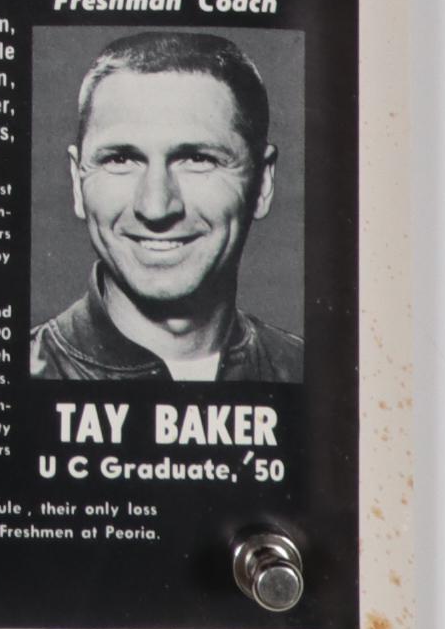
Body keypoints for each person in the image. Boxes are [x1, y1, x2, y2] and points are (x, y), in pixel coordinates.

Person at [30, 31, 304, 383]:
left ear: (263, 183)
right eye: (121, 159)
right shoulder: (8, 379)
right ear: (77, 182)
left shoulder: (313, 374)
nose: (156, 207)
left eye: (196, 158)